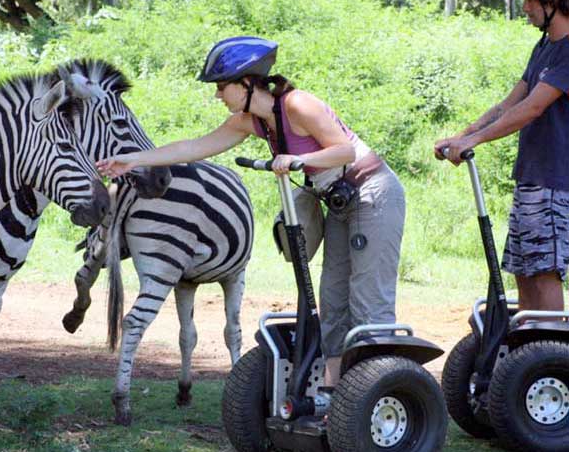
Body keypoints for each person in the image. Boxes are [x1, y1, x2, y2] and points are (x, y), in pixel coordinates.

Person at [96, 36, 406, 386]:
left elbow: (344, 152)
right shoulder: (251, 121)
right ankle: (335, 392)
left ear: (246, 83)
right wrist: (132, 160)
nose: (217, 95)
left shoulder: (298, 104)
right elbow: (193, 147)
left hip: (372, 192)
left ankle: (379, 388)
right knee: (332, 299)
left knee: (367, 297)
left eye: (221, 87)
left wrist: (298, 160)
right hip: (339, 200)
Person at [435, 0, 569, 313]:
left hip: (556, 182)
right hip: (531, 177)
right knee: (524, 272)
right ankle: (527, 360)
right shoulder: (544, 48)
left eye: (530, 0)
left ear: (555, 0)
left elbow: (532, 109)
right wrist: (462, 134)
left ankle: (551, 357)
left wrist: (474, 142)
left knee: (544, 272)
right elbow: (510, 103)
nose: (524, 8)